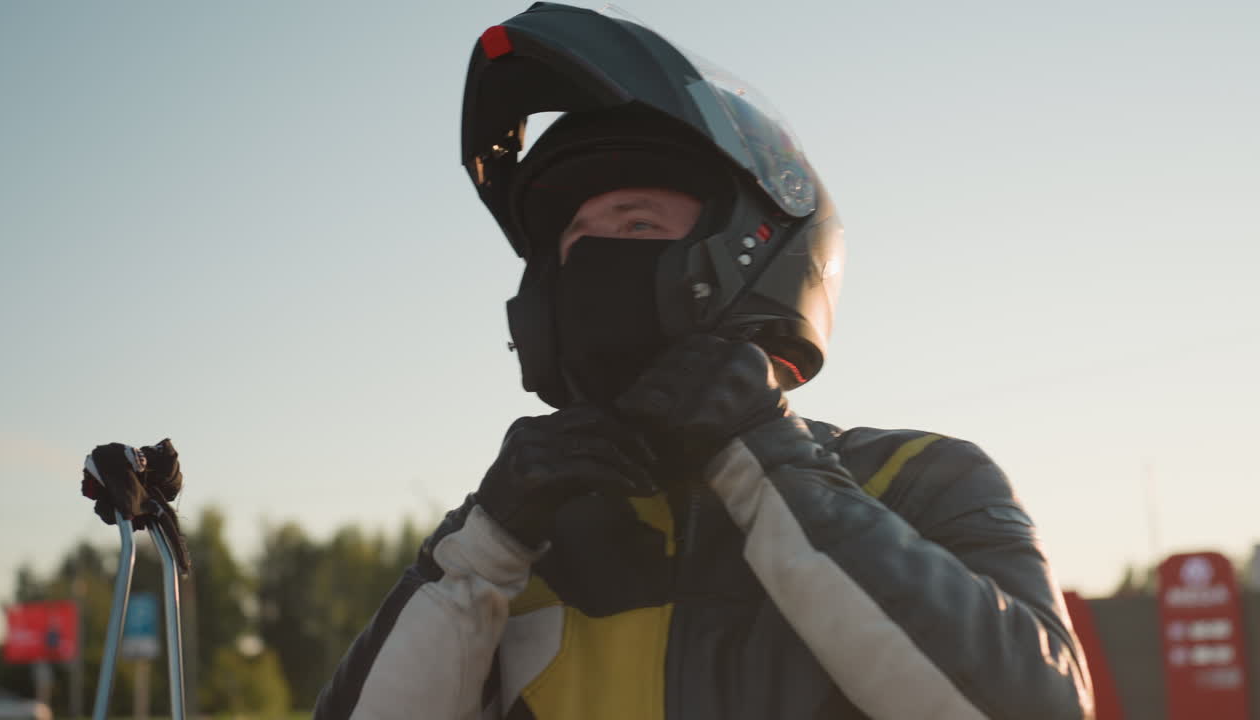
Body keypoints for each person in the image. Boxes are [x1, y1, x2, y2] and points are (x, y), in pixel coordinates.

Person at [315, 4, 1094, 719]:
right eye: (576, 241)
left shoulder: (921, 479)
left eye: (635, 221)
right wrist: (483, 548)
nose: (595, 258)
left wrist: (763, 454)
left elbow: (1031, 707)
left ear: (754, 249)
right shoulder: (516, 540)